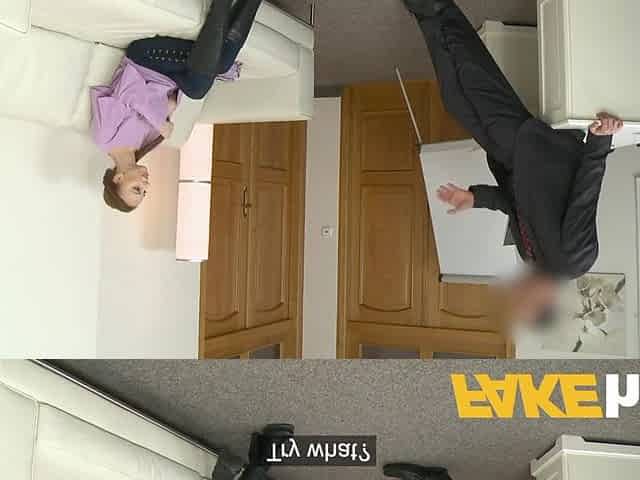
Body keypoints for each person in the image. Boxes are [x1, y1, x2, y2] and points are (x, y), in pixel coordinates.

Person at [402, 0, 624, 323]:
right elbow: (585, 197)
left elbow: (513, 205)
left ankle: (427, 17)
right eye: (523, 299)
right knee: (476, 79)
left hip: (510, 159)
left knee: (455, 100)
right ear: (543, 300)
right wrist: (600, 141)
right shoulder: (574, 260)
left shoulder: (531, 259)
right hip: (537, 152)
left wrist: (475, 198)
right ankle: (437, 8)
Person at [92, 0, 262, 213]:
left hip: (145, 59)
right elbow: (168, 100)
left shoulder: (105, 137)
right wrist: (164, 113)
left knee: (204, 82)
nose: (146, 185)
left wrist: (160, 122)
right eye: (144, 192)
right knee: (219, 65)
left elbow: (127, 90)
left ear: (118, 178)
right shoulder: (145, 145)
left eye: (136, 189)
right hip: (172, 75)